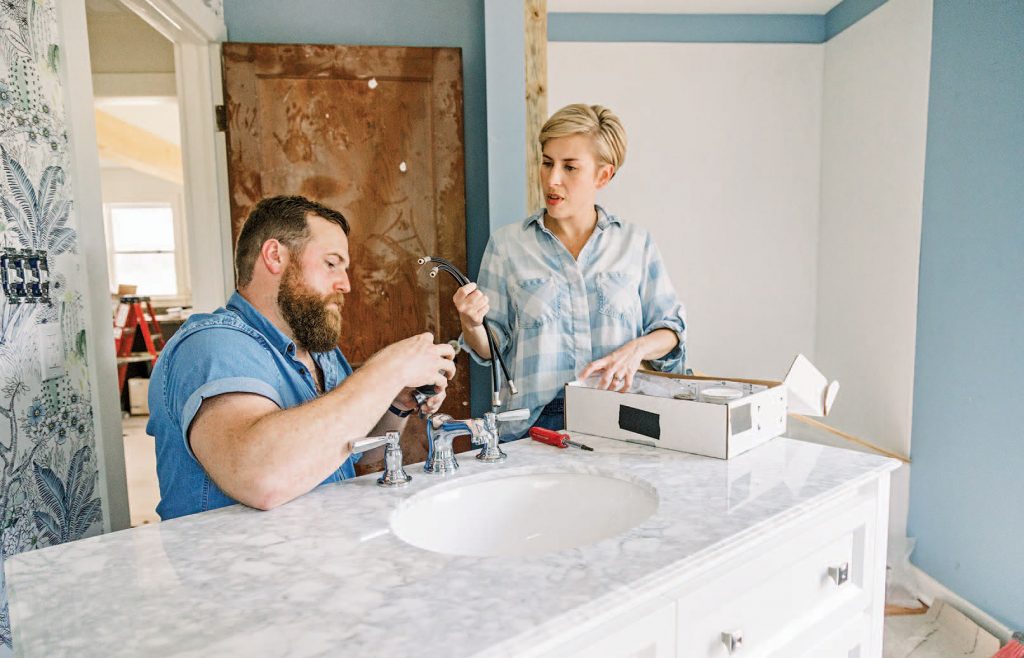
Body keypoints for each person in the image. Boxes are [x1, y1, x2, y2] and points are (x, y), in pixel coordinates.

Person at [147, 195, 456, 520]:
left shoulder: (321, 353)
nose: (346, 284)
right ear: (275, 256)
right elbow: (262, 478)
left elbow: (356, 451)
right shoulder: (211, 345)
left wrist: (396, 401)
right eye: (331, 263)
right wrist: (388, 371)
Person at [454, 104, 686, 440]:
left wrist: (636, 350)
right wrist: (471, 323)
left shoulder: (635, 244)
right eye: (547, 162)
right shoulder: (507, 246)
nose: (552, 179)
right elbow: (492, 348)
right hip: (535, 427)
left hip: (622, 419)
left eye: (570, 167)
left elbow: (671, 330)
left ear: (602, 175)